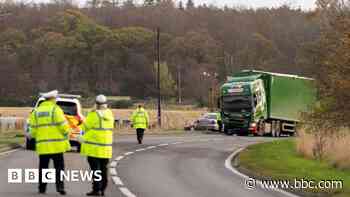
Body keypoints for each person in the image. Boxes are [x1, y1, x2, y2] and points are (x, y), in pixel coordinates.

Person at [28, 90, 71, 195]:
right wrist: (68, 133)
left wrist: (30, 136)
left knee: (43, 168)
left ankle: (42, 188)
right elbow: (63, 126)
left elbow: (33, 129)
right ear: (52, 99)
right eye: (55, 99)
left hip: (43, 146)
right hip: (57, 146)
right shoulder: (56, 110)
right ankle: (60, 187)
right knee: (59, 168)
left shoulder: (36, 111)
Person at [79, 95, 114, 196]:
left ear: (96, 103)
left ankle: (96, 189)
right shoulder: (109, 114)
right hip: (106, 148)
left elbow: (85, 127)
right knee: (103, 169)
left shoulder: (93, 114)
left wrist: (81, 135)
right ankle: (103, 189)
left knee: (95, 170)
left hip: (94, 148)